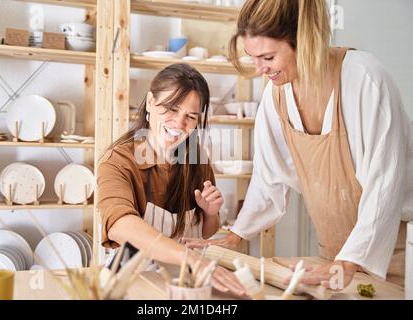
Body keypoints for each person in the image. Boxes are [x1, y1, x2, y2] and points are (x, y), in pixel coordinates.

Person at [185, 0, 413, 289]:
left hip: (397, 258)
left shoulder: (365, 81)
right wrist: (236, 236)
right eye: (253, 57)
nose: (259, 70)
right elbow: (268, 180)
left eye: (268, 57)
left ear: (305, 42)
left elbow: (384, 187)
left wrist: (348, 263)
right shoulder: (276, 97)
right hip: (333, 256)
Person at [97, 63, 245, 296]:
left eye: (191, 116)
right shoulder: (119, 160)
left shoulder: (197, 158)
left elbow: (206, 234)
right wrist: (189, 258)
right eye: (171, 109)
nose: (179, 123)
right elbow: (119, 224)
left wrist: (210, 213)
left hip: (187, 283)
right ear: (150, 102)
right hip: (134, 281)